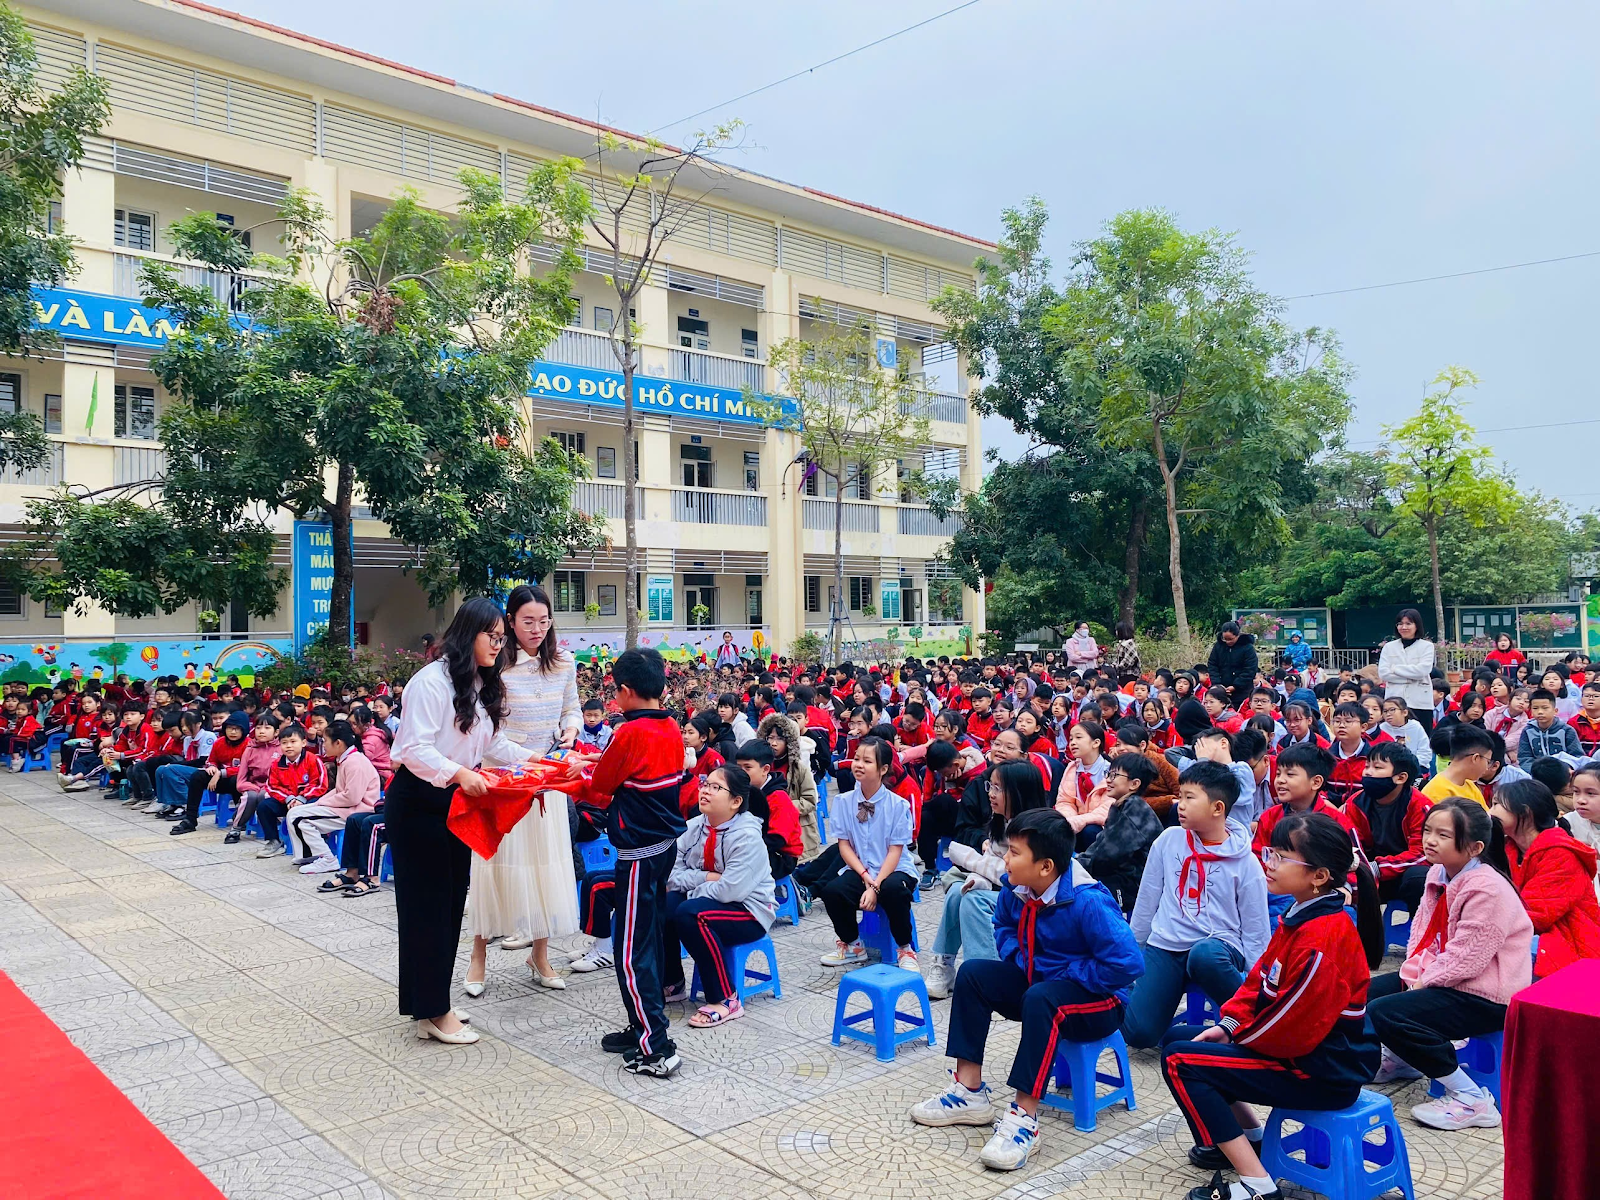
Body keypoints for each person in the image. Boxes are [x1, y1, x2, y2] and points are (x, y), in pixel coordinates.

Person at [1161, 812, 1382, 1200]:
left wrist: (1237, 1038)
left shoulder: (1322, 938)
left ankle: (1258, 1185)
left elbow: (1290, 1026)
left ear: (1320, 876)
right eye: (1270, 852)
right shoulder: (1301, 915)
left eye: (1281, 857)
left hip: (1322, 1071)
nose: (1269, 862)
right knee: (1181, 1038)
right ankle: (1250, 1139)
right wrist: (1229, 1025)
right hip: (1303, 1054)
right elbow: (1258, 981)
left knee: (1182, 1061)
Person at [909, 809, 1143, 1173]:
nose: (1006, 858)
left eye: (1015, 852)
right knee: (973, 975)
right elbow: (1002, 926)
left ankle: (1024, 1119)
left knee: (1041, 998)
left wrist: (1065, 972)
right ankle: (970, 1092)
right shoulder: (1017, 888)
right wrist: (1020, 958)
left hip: (1100, 1001)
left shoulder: (1087, 901)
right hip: (1042, 982)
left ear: (1046, 866)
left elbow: (1128, 964)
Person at [388, 598, 536, 1046]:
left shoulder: (479, 684)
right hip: (419, 803)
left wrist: (539, 763)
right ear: (466, 633)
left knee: (450, 905)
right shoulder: (430, 683)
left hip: (454, 803)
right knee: (427, 909)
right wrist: (459, 774)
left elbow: (496, 746)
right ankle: (434, 1009)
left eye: (500, 638)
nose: (498, 644)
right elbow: (413, 749)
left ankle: (430, 1002)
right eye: (490, 636)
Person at [1368, 798, 1532, 1131]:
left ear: (1475, 847)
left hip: (1488, 994)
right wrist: (1413, 973)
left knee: (1390, 1011)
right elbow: (1422, 931)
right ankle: (1404, 1060)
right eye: (1428, 831)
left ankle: (1472, 1098)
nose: (1430, 840)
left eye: (1443, 835)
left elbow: (1468, 958)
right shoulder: (1439, 872)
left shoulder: (1487, 889)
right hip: (1451, 978)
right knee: (1364, 994)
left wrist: (1424, 982)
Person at [566, 646, 687, 1077]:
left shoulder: (628, 732)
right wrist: (593, 763)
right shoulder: (671, 727)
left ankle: (656, 1046)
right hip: (663, 848)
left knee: (632, 951)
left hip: (637, 853)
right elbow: (631, 775)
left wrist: (571, 776)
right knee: (647, 940)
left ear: (626, 691)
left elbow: (600, 788)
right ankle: (641, 1027)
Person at [463, 585, 581, 996]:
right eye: (527, 621)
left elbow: (572, 708)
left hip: (548, 777)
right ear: (509, 622)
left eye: (543, 621)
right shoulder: (494, 665)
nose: (536, 629)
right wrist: (523, 760)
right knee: (494, 865)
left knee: (546, 865)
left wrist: (570, 730)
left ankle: (540, 955)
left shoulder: (564, 662)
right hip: (503, 778)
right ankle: (478, 959)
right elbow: (486, 730)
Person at [1122, 761, 1272, 1050]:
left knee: (1204, 956)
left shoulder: (1246, 861)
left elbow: (1256, 929)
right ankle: (1196, 1037)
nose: (1180, 804)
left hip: (1217, 946)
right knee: (1139, 1034)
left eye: (1190, 798)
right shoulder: (1169, 840)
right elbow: (1147, 899)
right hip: (1167, 944)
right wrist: (1130, 953)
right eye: (1181, 795)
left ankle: (1250, 1021)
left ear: (1217, 808)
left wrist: (1257, 988)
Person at [660, 762, 777, 1027]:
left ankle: (726, 998)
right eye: (705, 784)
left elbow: (729, 891)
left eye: (716, 787)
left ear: (736, 801)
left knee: (691, 915)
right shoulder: (694, 826)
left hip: (749, 911)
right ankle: (672, 981)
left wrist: (690, 891)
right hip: (710, 897)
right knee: (664, 905)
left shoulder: (747, 837)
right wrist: (702, 878)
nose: (706, 791)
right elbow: (669, 873)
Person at [925, 758, 1050, 999]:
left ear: (1019, 791)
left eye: (997, 788)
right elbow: (994, 865)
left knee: (974, 901)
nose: (990, 794)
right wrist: (978, 874)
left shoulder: (1035, 829)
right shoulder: (1001, 821)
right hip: (1008, 892)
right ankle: (945, 963)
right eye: (989, 786)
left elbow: (1015, 877)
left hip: (1032, 901)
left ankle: (985, 974)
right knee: (956, 892)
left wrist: (969, 859)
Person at [817, 737, 919, 970]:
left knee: (893, 890)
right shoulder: (844, 801)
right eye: (857, 758)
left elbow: (895, 851)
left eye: (867, 761)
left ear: (883, 769)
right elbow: (844, 845)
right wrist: (864, 876)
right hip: (861, 869)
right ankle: (853, 945)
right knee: (832, 891)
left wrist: (875, 886)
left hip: (894, 870)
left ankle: (905, 948)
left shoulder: (897, 805)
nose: (858, 764)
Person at [1491, 779, 1600, 979]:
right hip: (1527, 933)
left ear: (1524, 813)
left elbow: (1536, 915)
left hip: (1570, 939)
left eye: (1496, 805)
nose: (1490, 812)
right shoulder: (1509, 848)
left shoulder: (1561, 854)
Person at [1345, 742, 1432, 911]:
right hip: (1369, 872)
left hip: (1404, 872)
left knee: (1419, 877)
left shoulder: (1420, 805)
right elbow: (1353, 849)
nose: (1368, 772)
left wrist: (1379, 867)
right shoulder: (1354, 804)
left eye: (1377, 767)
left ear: (1401, 778)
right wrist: (1366, 869)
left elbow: (1424, 854)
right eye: (1367, 766)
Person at [1075, 751, 1163, 915]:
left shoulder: (1133, 809)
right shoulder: (1124, 805)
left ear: (1134, 784)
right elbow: (1101, 845)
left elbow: (1106, 855)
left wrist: (1071, 866)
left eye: (1115, 775)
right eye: (1108, 773)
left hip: (1131, 888)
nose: (1108, 779)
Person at [287, 720, 380, 873]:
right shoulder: (344, 759)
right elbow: (339, 790)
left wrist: (323, 803)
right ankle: (308, 855)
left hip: (358, 811)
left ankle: (327, 859)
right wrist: (321, 802)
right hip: (346, 807)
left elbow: (352, 797)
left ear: (338, 743)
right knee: (294, 813)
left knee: (300, 818)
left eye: (325, 741)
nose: (323, 745)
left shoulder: (355, 762)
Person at [168, 711, 250, 836]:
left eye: (237, 729)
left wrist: (220, 773)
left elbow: (246, 768)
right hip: (220, 779)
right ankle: (190, 819)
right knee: (197, 776)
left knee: (236, 780)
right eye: (229, 728)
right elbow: (211, 760)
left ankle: (240, 818)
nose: (233, 732)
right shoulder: (220, 742)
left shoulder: (249, 745)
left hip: (242, 781)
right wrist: (211, 767)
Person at [1378, 608, 1437, 735]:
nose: (1403, 627)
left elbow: (1423, 671)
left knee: (1421, 739)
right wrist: (1412, 676)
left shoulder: (1427, 646)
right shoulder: (1389, 647)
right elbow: (1384, 673)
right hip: (1394, 701)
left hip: (1420, 703)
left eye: (1408, 623)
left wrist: (1395, 669)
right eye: (1400, 623)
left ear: (1417, 625)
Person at [1422, 724, 1494, 807]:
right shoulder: (1436, 791)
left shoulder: (1469, 784)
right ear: (1476, 758)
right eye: (1488, 762)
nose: (1487, 768)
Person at [1518, 688, 1582, 763]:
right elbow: (1524, 757)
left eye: (1545, 708)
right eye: (1535, 708)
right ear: (1531, 711)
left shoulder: (1567, 730)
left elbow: (1576, 756)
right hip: (1535, 771)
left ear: (1555, 711)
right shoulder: (1527, 731)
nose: (1540, 712)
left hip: (1562, 770)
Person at [1207, 622, 1259, 710]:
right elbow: (1212, 665)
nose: (1228, 642)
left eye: (1231, 639)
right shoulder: (1218, 646)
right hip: (1221, 689)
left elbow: (1250, 670)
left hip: (1242, 691)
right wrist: (1217, 684)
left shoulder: (1247, 648)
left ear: (1237, 635)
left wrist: (1235, 686)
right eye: (1225, 639)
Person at [1381, 696, 1432, 760]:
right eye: (1385, 711)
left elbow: (1425, 752)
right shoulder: (1382, 728)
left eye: (1392, 710)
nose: (1388, 714)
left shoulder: (1415, 726)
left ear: (1405, 712)